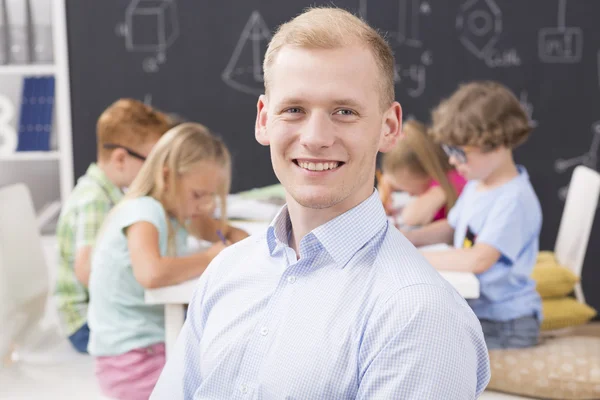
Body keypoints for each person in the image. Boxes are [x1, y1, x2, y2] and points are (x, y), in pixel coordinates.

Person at [152, 8, 490, 399]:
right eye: (294, 109)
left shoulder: (419, 313)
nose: (315, 137)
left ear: (389, 127)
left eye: (344, 112)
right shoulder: (227, 271)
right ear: (264, 120)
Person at [87, 123, 246, 400]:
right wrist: (209, 256)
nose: (205, 206)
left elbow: (220, 229)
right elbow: (151, 273)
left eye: (212, 196)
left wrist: (233, 236)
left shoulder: (174, 210)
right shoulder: (144, 211)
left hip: (149, 348)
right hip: (132, 360)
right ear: (166, 177)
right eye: (198, 195)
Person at [405, 81, 543, 350]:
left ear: (498, 143)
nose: (453, 162)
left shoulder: (513, 199)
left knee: (428, 345)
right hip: (480, 312)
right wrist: (406, 239)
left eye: (459, 153)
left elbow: (478, 259)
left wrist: (410, 257)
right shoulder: (478, 184)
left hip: (507, 323)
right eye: (449, 151)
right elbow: (451, 226)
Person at [54, 99, 172, 353]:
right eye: (153, 162)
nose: (161, 172)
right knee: (178, 335)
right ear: (120, 159)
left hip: (99, 316)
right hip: (86, 324)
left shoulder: (111, 194)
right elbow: (86, 272)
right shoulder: (94, 200)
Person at [378, 119, 467, 226]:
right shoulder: (435, 176)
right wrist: (386, 187)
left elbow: (411, 218)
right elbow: (387, 178)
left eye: (408, 189)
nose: (410, 194)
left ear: (426, 173)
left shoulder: (451, 181)